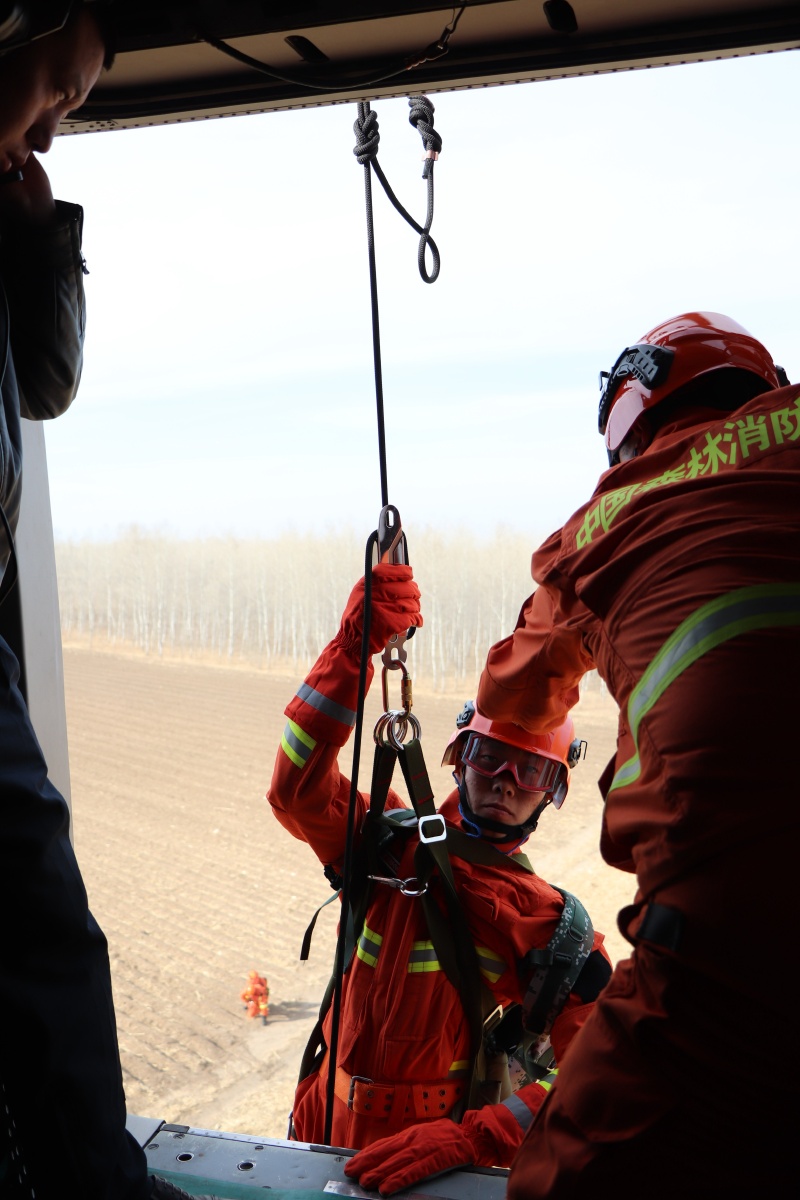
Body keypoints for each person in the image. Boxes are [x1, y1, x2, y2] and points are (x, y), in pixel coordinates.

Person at [475, 311, 800, 1197]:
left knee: (570, 1175)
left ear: (631, 415)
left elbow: (513, 692)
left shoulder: (599, 530)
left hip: (724, 951)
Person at [0, 6, 217, 1198]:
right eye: (60, 89)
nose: (59, 125)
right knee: (40, 926)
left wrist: (42, 242)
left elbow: (45, 384)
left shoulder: (7, 207)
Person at [267, 564, 612, 1186]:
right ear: (458, 760)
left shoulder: (550, 928)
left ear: (551, 794)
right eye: (491, 757)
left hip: (424, 1159)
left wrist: (478, 1136)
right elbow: (296, 789)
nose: (505, 781)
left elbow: (606, 1070)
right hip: (318, 1130)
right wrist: (352, 651)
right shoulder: (385, 847)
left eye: (529, 772)